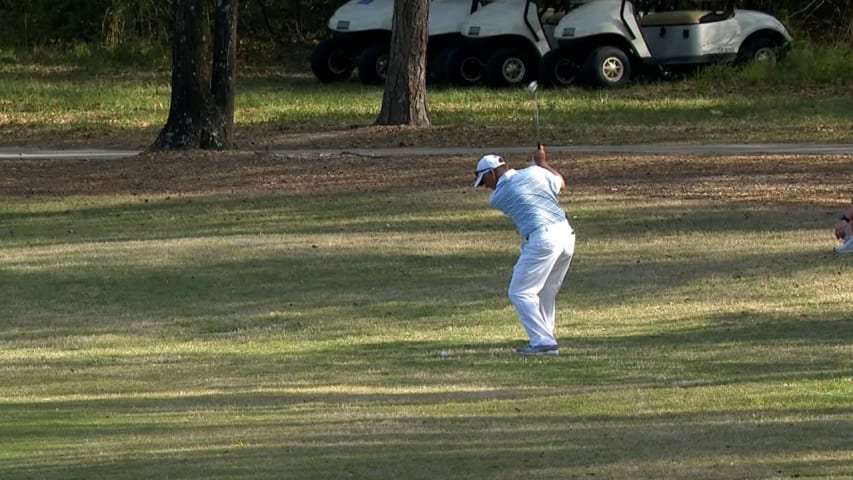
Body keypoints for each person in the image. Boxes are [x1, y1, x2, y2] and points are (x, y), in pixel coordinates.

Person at [472, 144, 575, 355]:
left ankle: (543, 341)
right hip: (566, 235)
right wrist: (542, 163)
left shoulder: (498, 196)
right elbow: (560, 183)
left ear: (492, 173)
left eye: (485, 181)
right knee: (546, 289)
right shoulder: (536, 173)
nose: (486, 187)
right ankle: (546, 335)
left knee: (519, 292)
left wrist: (538, 166)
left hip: (543, 238)